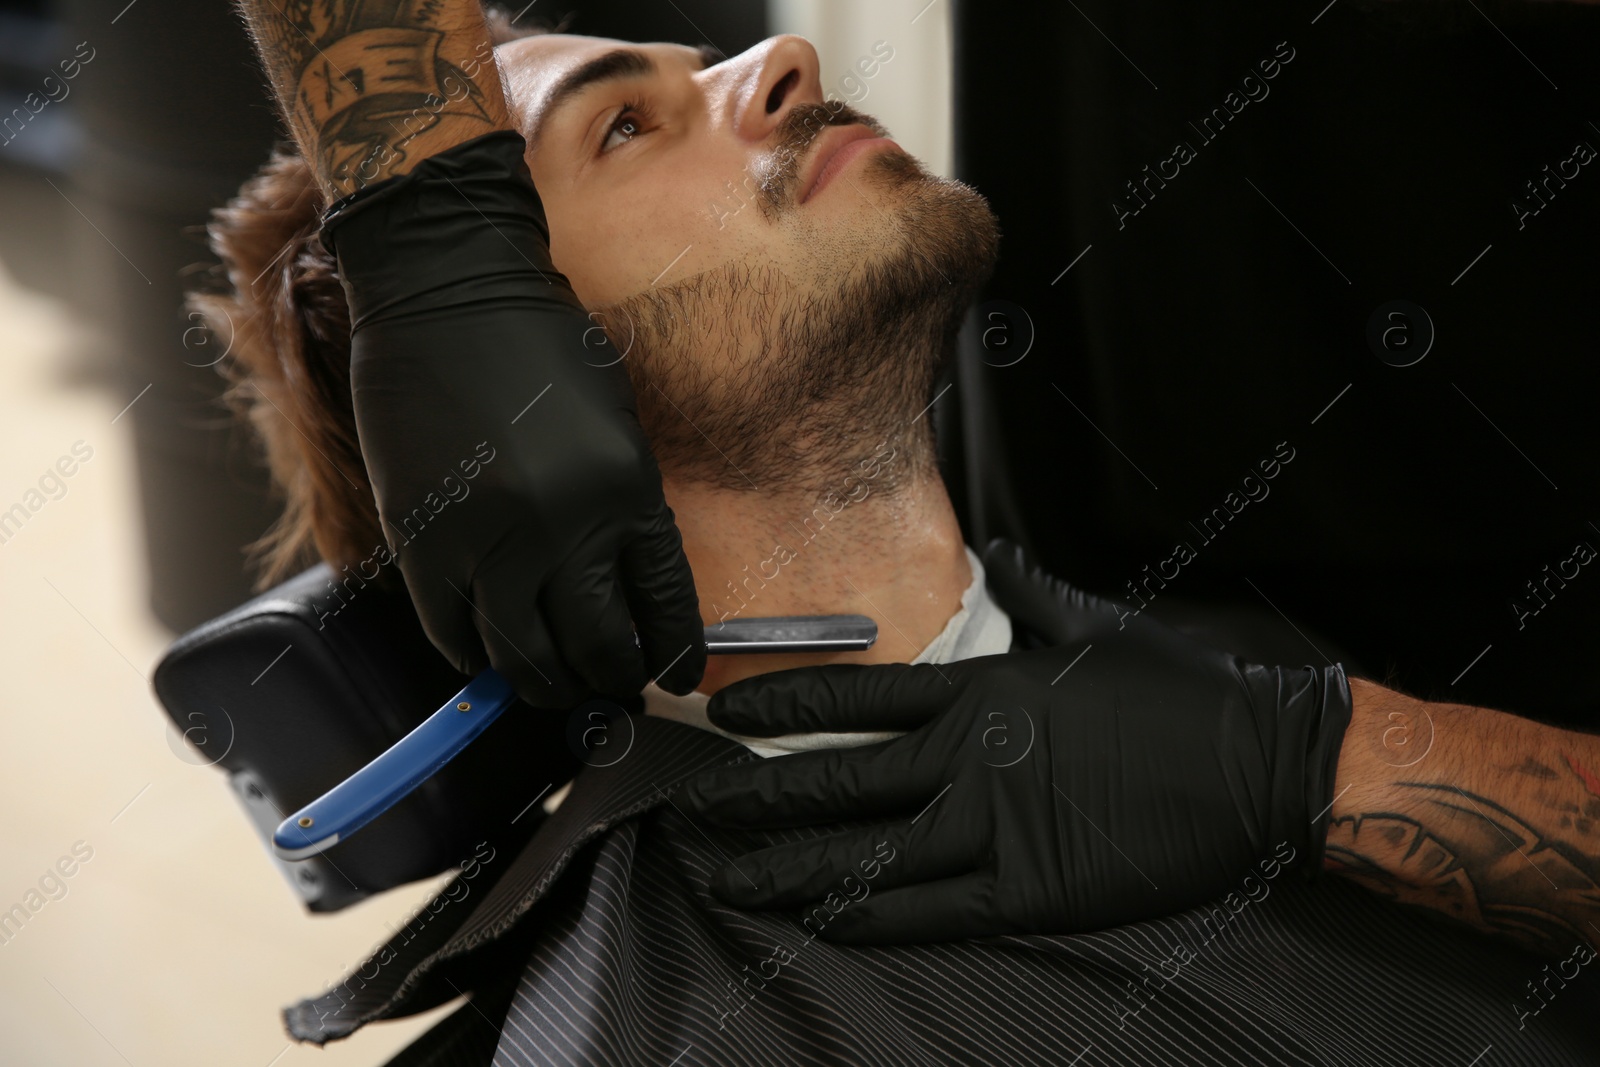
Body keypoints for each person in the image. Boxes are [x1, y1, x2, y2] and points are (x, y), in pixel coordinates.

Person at [209, 7, 1595, 1064]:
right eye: (623, 127)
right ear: (506, 430)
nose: (783, 55)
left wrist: (1318, 762)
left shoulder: (1252, 662)